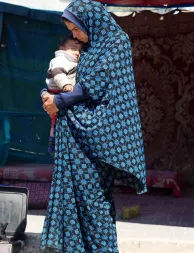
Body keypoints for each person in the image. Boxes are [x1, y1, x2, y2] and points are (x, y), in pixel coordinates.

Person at [40, 0, 147, 252]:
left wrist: (58, 101)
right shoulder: (86, 48)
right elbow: (61, 74)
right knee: (73, 201)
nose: (74, 36)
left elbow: (94, 86)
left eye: (76, 29)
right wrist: (47, 94)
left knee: (94, 203)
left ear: (91, 21)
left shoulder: (116, 43)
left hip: (96, 136)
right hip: (73, 136)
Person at [43, 35, 82, 155]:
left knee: (55, 121)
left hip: (62, 94)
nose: (77, 53)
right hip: (57, 91)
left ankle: (53, 144)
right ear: (62, 48)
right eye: (73, 48)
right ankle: (53, 144)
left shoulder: (73, 62)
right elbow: (58, 74)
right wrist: (65, 85)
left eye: (79, 50)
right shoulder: (60, 60)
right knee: (56, 120)